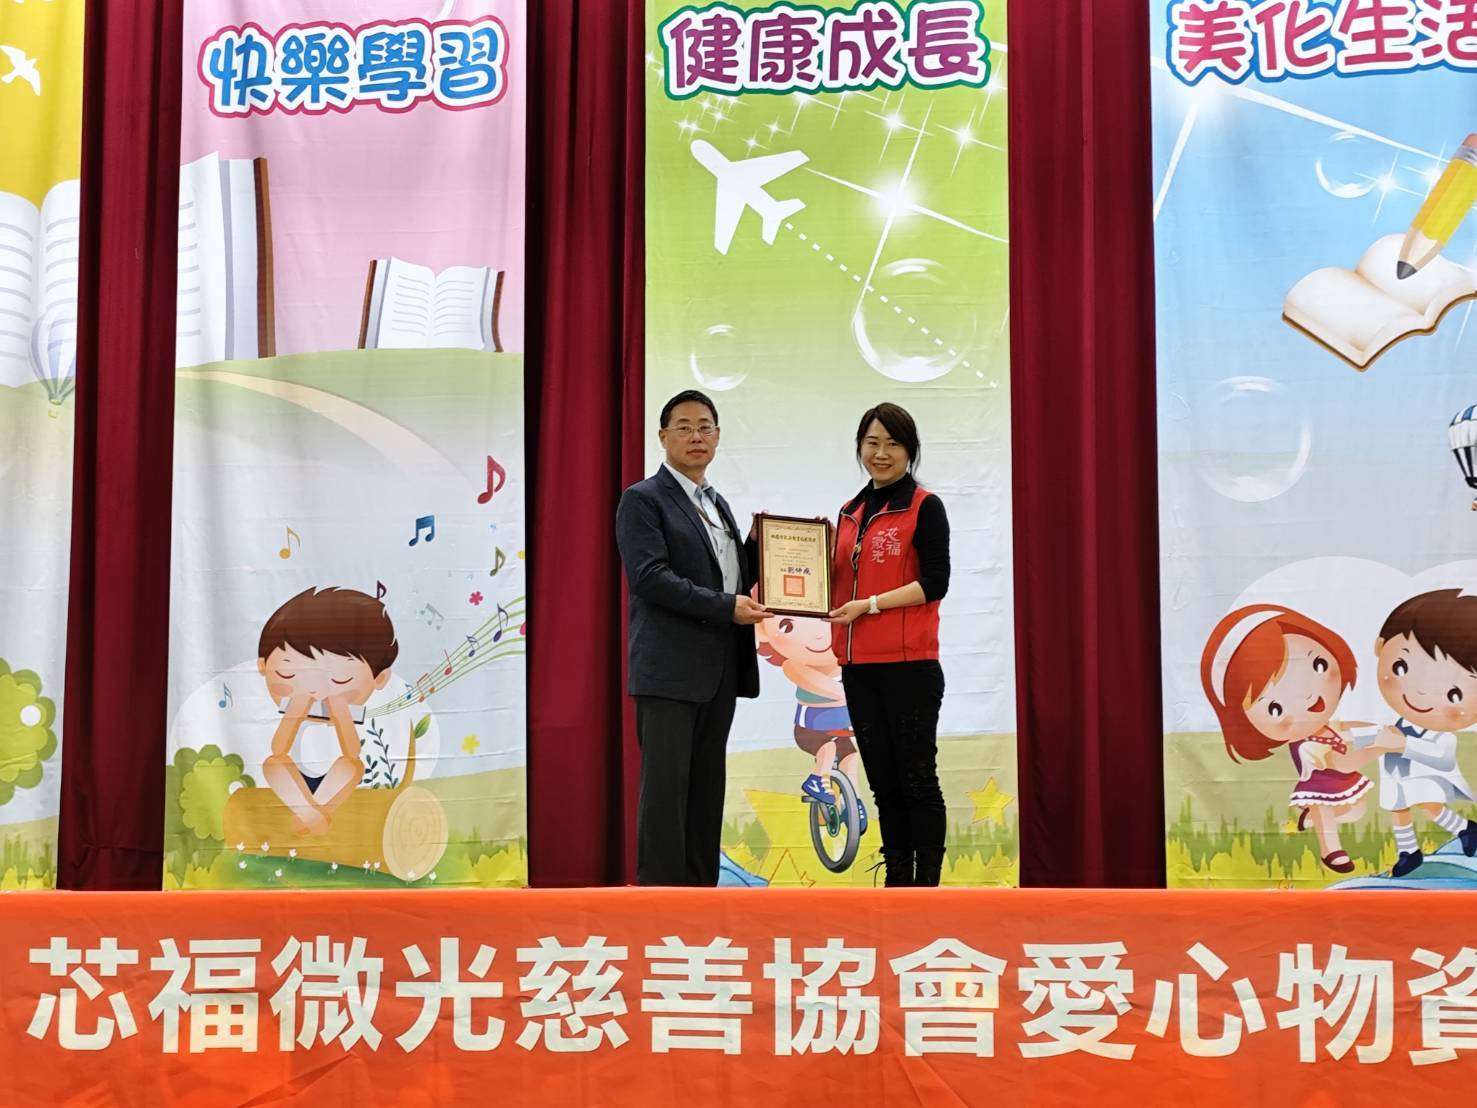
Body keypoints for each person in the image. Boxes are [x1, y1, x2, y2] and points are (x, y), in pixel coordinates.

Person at [616, 389, 766, 886]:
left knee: (706, 790)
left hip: (718, 670)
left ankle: (701, 898)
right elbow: (650, 578)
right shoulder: (643, 499)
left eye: (705, 427)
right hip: (667, 672)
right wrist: (726, 607)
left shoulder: (716, 503)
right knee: (666, 794)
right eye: (684, 427)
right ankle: (660, 904)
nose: (696, 436)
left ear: (718, 437)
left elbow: (728, 574)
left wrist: (769, 546)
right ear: (663, 437)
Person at [828, 402, 950, 886]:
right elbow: (831, 582)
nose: (881, 453)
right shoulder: (849, 512)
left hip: (910, 664)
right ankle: (899, 882)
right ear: (859, 447)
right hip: (858, 667)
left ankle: (928, 886)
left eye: (893, 444)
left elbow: (935, 582)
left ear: (910, 450)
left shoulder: (924, 506)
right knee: (883, 782)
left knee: (917, 779)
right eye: (872, 443)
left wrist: (871, 605)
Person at [1199, 604, 1374, 874]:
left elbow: (1347, 728)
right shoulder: (1307, 745)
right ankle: (1331, 851)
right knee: (1325, 811)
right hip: (1319, 784)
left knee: (1357, 809)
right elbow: (1341, 763)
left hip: (1341, 779)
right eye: (1275, 708)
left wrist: (1375, 728)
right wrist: (1379, 747)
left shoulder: (1329, 726)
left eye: (1318, 665)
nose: (1308, 697)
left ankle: (1309, 819)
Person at [257, 586, 398, 836]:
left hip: (333, 785)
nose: (315, 689)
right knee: (272, 764)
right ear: (263, 666)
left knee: (353, 767)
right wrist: (295, 711)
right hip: (292, 781)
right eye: (288, 673)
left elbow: (352, 753)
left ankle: (311, 814)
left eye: (341, 678)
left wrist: (341, 711)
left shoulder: (343, 711)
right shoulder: (296, 707)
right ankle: (311, 815)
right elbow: (278, 749)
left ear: (380, 678)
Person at [1363, 589, 1477, 877]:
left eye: (1454, 694)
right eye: (1401, 666)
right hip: (1395, 773)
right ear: (1380, 647)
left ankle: (1465, 828)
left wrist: (1404, 745)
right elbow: (1375, 737)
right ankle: (1409, 852)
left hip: (1423, 773)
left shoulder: (1443, 734)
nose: (1422, 693)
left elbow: (1442, 757)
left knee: (1430, 805)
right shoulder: (1393, 722)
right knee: (1398, 809)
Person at [754, 611, 866, 830]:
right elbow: (830, 689)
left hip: (840, 726)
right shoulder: (795, 666)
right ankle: (817, 779)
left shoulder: (841, 663)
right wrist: (853, 694)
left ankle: (853, 802)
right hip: (810, 729)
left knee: (850, 757)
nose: (817, 635)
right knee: (828, 748)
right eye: (787, 627)